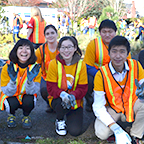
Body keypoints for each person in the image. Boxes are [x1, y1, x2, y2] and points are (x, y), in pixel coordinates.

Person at [93, 35, 144, 144]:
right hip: (113, 108)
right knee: (101, 133)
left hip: (132, 106)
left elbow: (142, 84)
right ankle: (120, 129)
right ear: (109, 53)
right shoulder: (101, 74)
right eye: (114, 51)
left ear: (128, 53)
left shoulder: (135, 65)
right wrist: (115, 128)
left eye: (122, 51)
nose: (118, 56)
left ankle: (135, 135)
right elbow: (98, 106)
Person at [83, 19, 131, 112]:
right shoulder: (93, 44)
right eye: (104, 32)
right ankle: (89, 101)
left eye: (110, 32)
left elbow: (128, 64)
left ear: (115, 32)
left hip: (117, 75)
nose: (107, 35)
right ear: (100, 33)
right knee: (86, 79)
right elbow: (87, 66)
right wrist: (102, 76)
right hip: (97, 75)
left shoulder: (122, 44)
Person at [46, 36, 88, 136]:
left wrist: (73, 96)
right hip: (58, 99)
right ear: (59, 49)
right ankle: (59, 119)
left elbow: (83, 88)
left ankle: (70, 115)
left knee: (75, 131)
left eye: (69, 47)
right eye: (63, 47)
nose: (66, 50)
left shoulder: (81, 65)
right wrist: (63, 95)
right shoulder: (53, 64)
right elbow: (51, 87)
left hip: (75, 101)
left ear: (75, 48)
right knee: (61, 104)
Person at [0, 39, 41, 129]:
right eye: (21, 48)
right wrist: (12, 81)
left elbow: (33, 91)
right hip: (11, 96)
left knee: (29, 100)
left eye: (27, 48)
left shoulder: (35, 68)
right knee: (11, 102)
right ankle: (11, 115)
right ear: (16, 51)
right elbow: (7, 91)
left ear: (31, 52)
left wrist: (30, 81)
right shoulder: (8, 67)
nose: (24, 51)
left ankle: (26, 116)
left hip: (26, 95)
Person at [35, 25, 59, 112]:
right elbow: (35, 65)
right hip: (46, 77)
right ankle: (49, 103)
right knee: (44, 89)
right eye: (47, 34)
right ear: (45, 36)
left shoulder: (63, 47)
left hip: (62, 76)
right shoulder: (40, 50)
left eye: (52, 33)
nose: (50, 35)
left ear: (57, 34)